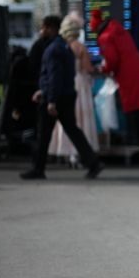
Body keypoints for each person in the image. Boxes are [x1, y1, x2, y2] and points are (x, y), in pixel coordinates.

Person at [20, 15, 103, 180]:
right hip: (67, 94)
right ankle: (93, 162)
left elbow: (54, 76)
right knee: (73, 130)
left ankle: (38, 168)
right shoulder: (64, 47)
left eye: (44, 27)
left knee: (43, 134)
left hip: (56, 98)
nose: (41, 31)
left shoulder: (52, 50)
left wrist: (50, 100)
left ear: (51, 28)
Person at [90, 9, 139, 146]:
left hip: (126, 77)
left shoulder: (105, 37)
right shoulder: (120, 30)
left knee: (131, 108)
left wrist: (103, 69)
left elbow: (112, 60)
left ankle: (133, 139)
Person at [47, 13, 99, 166]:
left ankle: (66, 152)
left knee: (67, 120)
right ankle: (80, 154)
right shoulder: (81, 47)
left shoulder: (63, 47)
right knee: (81, 122)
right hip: (81, 85)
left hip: (66, 84)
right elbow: (87, 68)